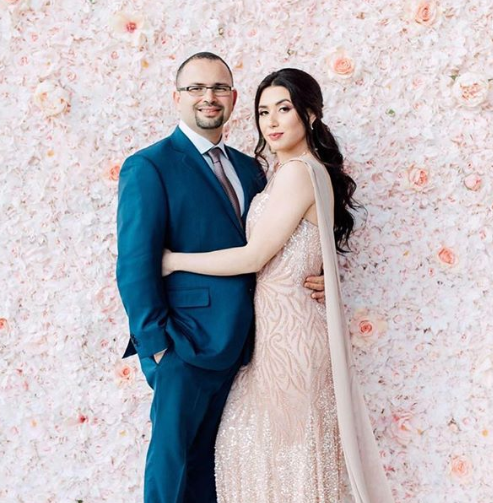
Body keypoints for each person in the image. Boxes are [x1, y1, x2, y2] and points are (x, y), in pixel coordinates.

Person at [162, 69, 395, 503]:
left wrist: (173, 261)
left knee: (280, 459)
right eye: (263, 111)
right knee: (271, 455)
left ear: (309, 115)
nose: (271, 121)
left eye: (284, 109)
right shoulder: (292, 172)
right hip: (279, 336)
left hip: (292, 342)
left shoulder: (297, 174)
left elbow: (254, 257)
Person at [115, 53, 325, 503]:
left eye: (219, 89)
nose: (208, 97)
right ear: (177, 97)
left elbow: (280, 240)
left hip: (253, 347)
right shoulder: (149, 165)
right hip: (184, 345)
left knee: (220, 469)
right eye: (196, 88)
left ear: (231, 98)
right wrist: (157, 347)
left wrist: (322, 270)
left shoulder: (250, 168)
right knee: (171, 467)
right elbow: (135, 263)